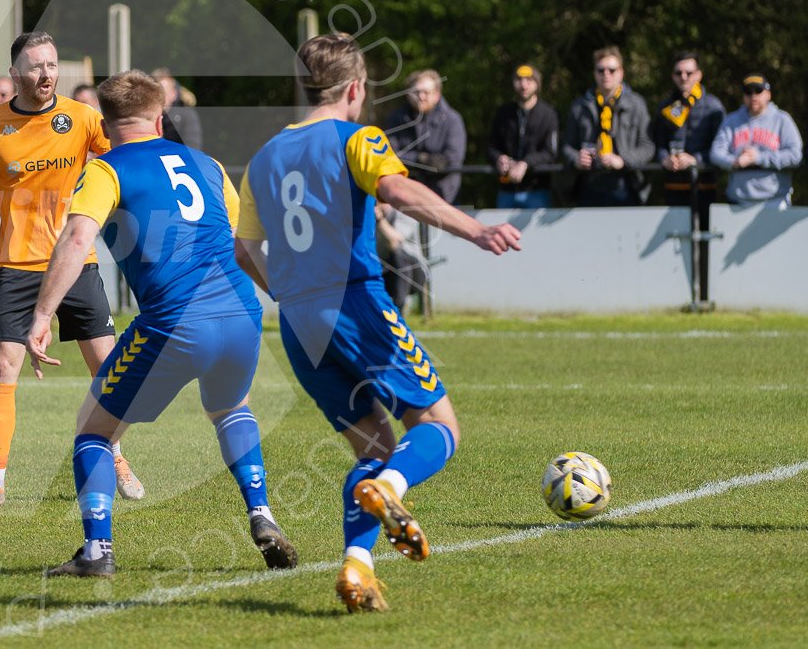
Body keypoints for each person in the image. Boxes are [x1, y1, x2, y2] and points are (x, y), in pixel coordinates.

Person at [233, 33, 520, 614]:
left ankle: (358, 570)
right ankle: (392, 491)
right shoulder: (358, 137)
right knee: (439, 427)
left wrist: (286, 293)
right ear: (355, 88)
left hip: (298, 321)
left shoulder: (263, 157)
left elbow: (244, 249)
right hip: (356, 303)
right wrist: (474, 228)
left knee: (374, 447)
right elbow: (395, 188)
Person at [27, 70, 296, 578]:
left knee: (93, 431)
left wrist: (42, 314)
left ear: (105, 126)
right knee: (231, 408)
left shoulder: (106, 169)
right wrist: (289, 299)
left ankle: (96, 551)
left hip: (175, 321)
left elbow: (76, 239)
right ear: (160, 117)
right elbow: (244, 246)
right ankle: (262, 514)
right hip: (241, 313)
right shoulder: (208, 164)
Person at [0, 30, 143, 510]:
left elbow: (127, 160)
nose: (46, 74)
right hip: (16, 265)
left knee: (109, 368)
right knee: (2, 367)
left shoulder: (82, 119)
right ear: (14, 74)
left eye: (52, 65)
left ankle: (116, 454)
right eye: (35, 67)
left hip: (77, 260)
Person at [563, 46, 652, 206]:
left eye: (612, 70)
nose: (606, 74)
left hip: (626, 184)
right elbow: (567, 147)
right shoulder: (580, 106)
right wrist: (576, 158)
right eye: (600, 70)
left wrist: (623, 160)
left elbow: (648, 147)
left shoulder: (636, 104)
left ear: (621, 72)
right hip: (588, 186)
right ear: (594, 73)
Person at [709, 74, 803, 207]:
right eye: (748, 92)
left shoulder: (782, 119)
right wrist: (734, 162)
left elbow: (795, 155)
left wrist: (759, 157)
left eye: (758, 91)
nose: (753, 96)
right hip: (738, 202)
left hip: (775, 201)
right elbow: (715, 154)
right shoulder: (731, 121)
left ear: (768, 94)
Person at [652, 51, 726, 207]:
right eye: (678, 73)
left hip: (704, 188)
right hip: (672, 188)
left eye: (689, 72)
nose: (683, 77)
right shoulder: (665, 106)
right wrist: (665, 158)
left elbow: (721, 148)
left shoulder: (713, 107)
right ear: (673, 76)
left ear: (699, 75)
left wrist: (695, 160)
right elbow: (658, 143)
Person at [385, 69, 466, 204]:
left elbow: (453, 158)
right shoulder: (396, 119)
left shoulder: (453, 120)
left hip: (443, 198)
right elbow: (389, 154)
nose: (421, 96)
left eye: (426, 92)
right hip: (405, 197)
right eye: (416, 92)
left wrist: (432, 163)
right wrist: (421, 159)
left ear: (437, 95)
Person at [488, 64, 561, 208]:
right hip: (506, 191)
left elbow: (550, 153)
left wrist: (525, 163)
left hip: (537, 191)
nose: (523, 85)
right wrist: (499, 158)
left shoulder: (548, 115)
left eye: (529, 80)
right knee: (502, 230)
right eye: (519, 79)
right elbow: (491, 147)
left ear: (537, 84)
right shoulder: (504, 113)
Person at [152, 68, 203, 150]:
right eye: (156, 93)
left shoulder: (187, 115)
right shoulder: (147, 117)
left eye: (163, 93)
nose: (159, 97)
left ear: (174, 94)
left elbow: (193, 149)